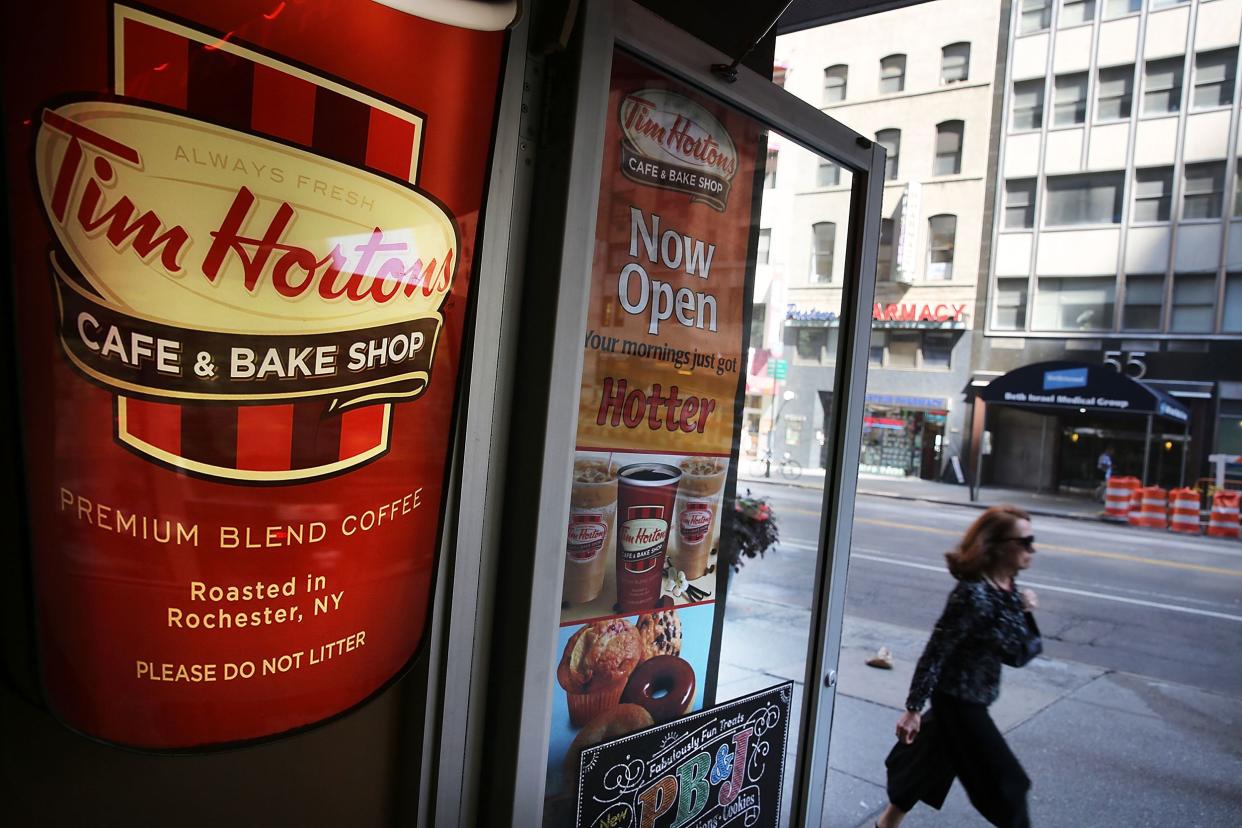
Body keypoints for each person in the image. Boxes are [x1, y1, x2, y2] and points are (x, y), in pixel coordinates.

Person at [875, 505, 1042, 828]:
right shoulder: (972, 595)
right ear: (996, 545)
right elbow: (936, 651)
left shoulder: (1008, 590)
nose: (1031, 549)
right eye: (1024, 541)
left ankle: (885, 825)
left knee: (920, 771)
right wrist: (912, 708)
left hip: (971, 700)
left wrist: (1024, 612)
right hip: (958, 704)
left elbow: (1017, 654)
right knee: (1010, 786)